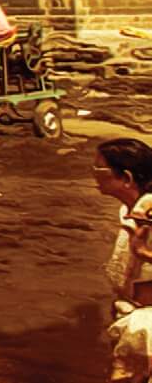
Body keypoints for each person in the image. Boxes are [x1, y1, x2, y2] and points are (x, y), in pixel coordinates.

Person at [96, 137, 152, 382]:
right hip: (130, 315)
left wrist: (144, 252)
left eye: (98, 169)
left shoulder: (148, 216)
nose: (93, 175)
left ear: (126, 178)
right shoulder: (129, 211)